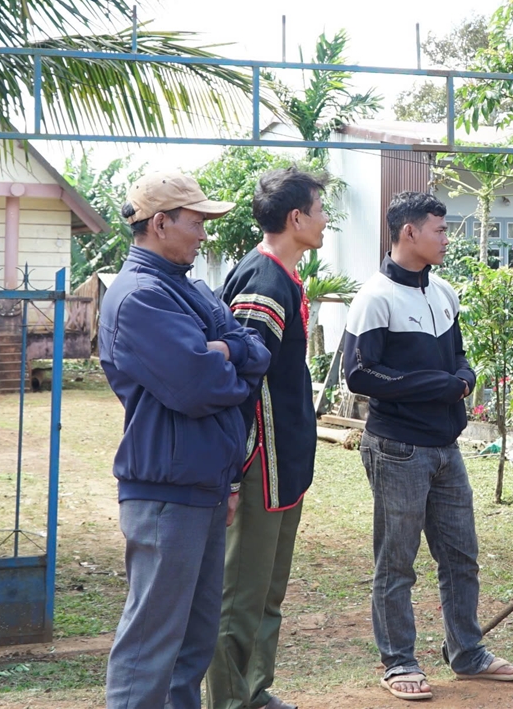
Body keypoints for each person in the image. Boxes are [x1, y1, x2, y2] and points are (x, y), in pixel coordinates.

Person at [340, 191, 513, 701]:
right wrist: (442, 386)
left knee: (461, 557)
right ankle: (399, 662)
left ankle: (467, 653)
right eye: (440, 230)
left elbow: (459, 356)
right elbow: (359, 373)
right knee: (396, 562)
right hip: (397, 448)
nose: (447, 239)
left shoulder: (443, 291)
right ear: (410, 233)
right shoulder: (375, 296)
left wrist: (464, 378)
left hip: (447, 447)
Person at [100, 172, 272, 709]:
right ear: (160, 223)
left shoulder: (188, 288)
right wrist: (228, 360)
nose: (203, 234)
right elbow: (198, 385)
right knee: (152, 644)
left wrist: (225, 352)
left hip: (202, 484)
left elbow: (257, 351)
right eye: (195, 222)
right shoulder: (141, 296)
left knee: (192, 645)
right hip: (166, 492)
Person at [208, 168, 329, 709]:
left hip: (284, 461)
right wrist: (235, 473)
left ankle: (254, 690)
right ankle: (230, 699)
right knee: (241, 592)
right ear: (296, 218)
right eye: (320, 211)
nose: (325, 220)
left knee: (267, 590)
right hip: (260, 460)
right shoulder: (263, 282)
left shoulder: (282, 275)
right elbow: (239, 382)